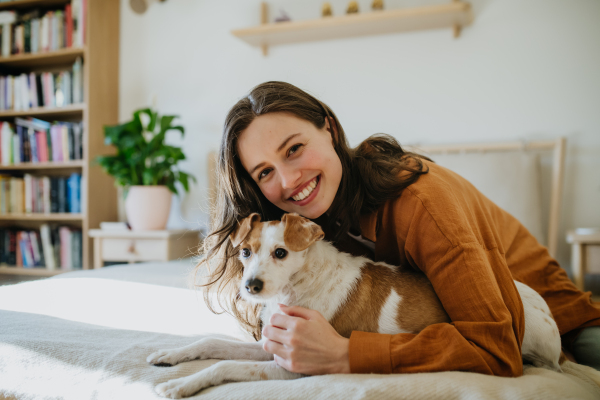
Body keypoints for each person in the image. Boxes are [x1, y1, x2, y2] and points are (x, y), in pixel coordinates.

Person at [199, 81, 600, 376]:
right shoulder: (306, 229)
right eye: (266, 171)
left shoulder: (422, 203)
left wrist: (346, 354)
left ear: (330, 130)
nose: (288, 181)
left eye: (295, 149)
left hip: (561, 325)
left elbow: (495, 347)